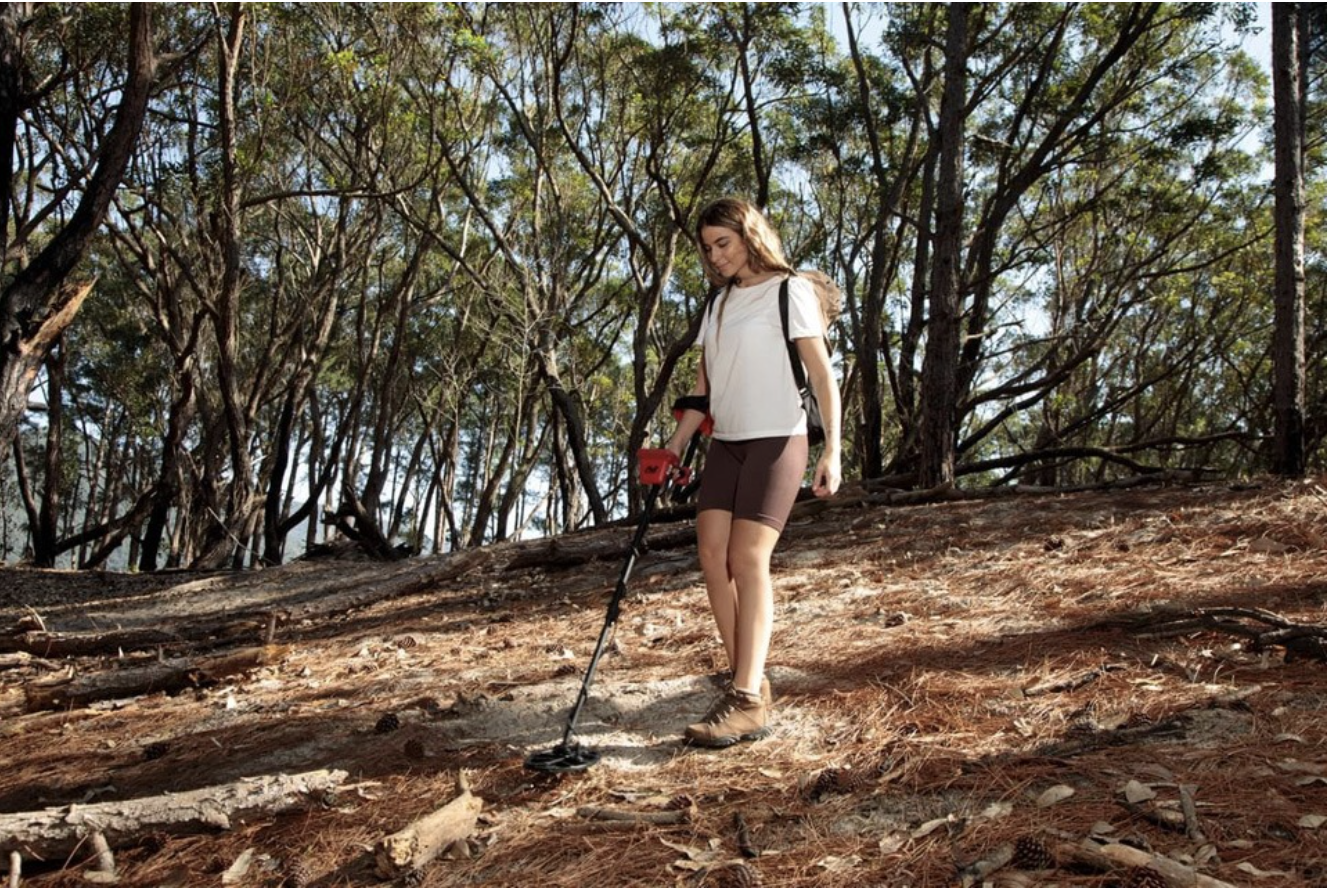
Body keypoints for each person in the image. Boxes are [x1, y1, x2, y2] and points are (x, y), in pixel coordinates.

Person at [663, 197, 842, 749]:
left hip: (776, 440)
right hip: (727, 444)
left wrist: (832, 450)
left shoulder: (790, 291)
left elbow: (821, 374)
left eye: (725, 243)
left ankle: (742, 699)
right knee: (712, 557)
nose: (716, 256)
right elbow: (703, 386)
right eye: (708, 247)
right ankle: (751, 681)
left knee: (748, 557)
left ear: (749, 235)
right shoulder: (716, 307)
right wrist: (673, 447)